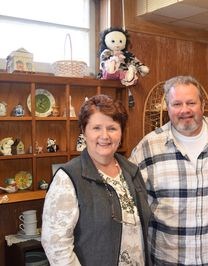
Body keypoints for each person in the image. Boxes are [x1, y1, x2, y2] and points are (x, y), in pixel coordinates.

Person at [129, 75, 208, 265]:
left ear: (202, 104)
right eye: (176, 104)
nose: (184, 110)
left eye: (191, 102)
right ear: (167, 107)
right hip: (168, 259)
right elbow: (130, 204)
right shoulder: (147, 148)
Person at [41, 94, 151, 266]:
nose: (105, 136)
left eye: (112, 128)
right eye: (96, 128)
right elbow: (56, 245)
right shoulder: (68, 177)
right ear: (84, 132)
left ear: (121, 132)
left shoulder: (131, 171)